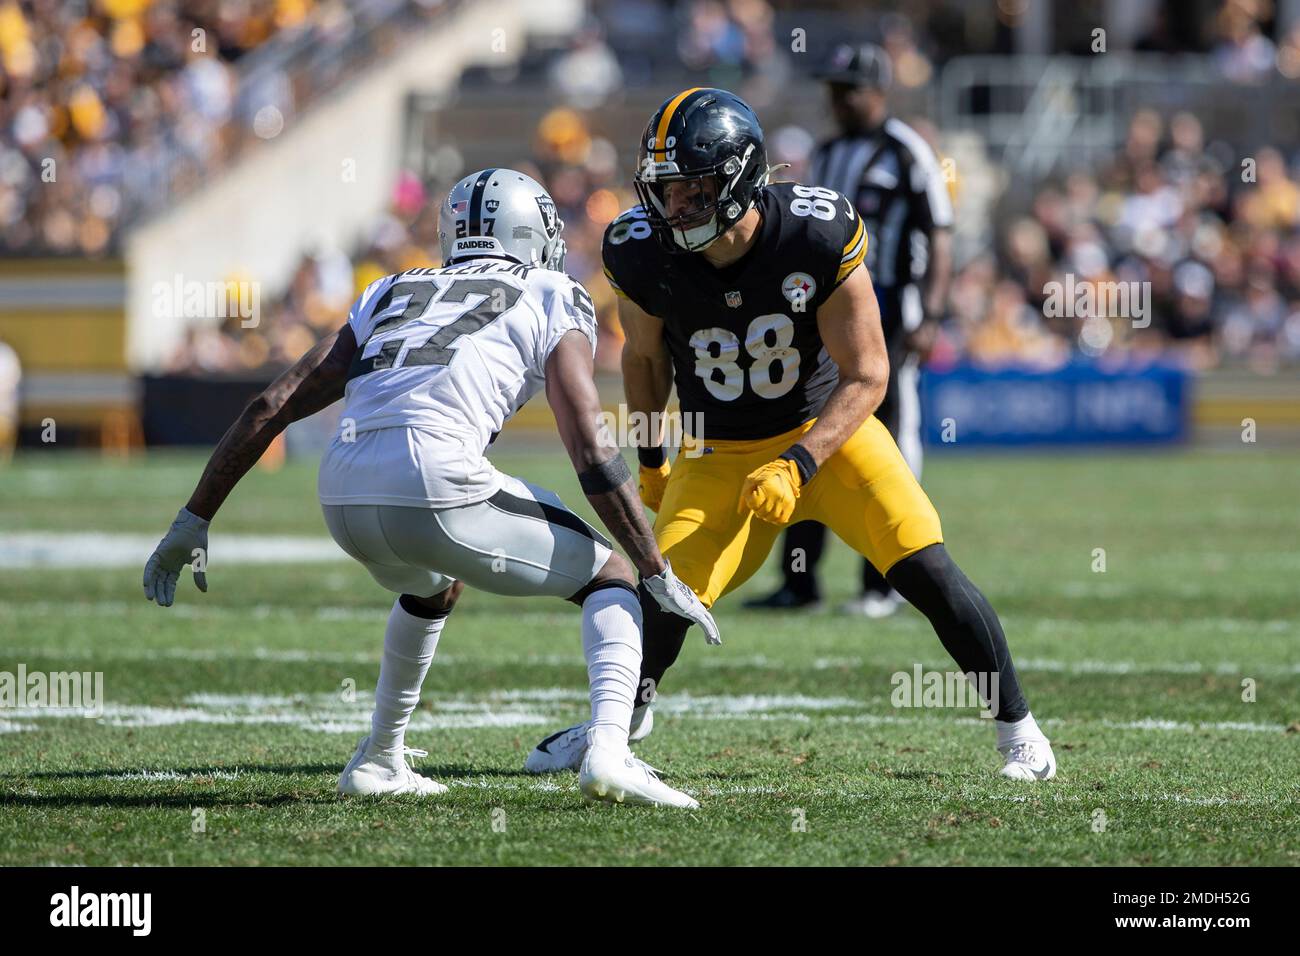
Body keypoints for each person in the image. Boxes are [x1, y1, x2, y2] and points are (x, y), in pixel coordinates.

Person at [142, 168, 719, 809]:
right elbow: (586, 437)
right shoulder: (552, 289)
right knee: (612, 576)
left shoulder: (389, 289)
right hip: (434, 476)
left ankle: (379, 758)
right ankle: (611, 753)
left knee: (432, 583)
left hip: (341, 489)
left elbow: (270, 404)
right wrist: (654, 568)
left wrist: (193, 520)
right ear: (533, 233)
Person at [525, 90, 1055, 781]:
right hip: (716, 452)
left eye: (693, 188)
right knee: (662, 593)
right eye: (666, 188)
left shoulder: (815, 231)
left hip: (825, 435)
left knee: (924, 564)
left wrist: (799, 464)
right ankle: (620, 724)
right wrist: (652, 456)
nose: (675, 206)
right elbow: (646, 358)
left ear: (741, 177)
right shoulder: (639, 250)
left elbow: (867, 375)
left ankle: (1021, 734)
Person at [745, 43, 952, 617]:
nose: (835, 101)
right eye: (832, 90)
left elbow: (940, 231)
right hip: (830, 309)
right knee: (813, 430)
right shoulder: (830, 151)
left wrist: (931, 313)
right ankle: (800, 581)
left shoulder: (908, 151)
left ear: (877, 90)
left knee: (893, 435)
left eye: (847, 90)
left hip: (893, 309)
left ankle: (884, 582)